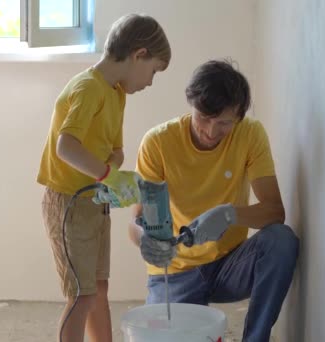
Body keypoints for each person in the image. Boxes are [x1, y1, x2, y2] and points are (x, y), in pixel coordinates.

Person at [128, 60, 299, 342]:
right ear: (191, 104)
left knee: (281, 240)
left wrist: (231, 214)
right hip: (175, 271)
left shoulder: (250, 134)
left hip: (229, 264)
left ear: (239, 118)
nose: (210, 131)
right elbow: (136, 220)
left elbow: (274, 212)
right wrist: (146, 238)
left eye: (223, 123)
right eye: (203, 117)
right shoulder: (158, 143)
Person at [36, 14, 171, 342]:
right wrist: (108, 174)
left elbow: (116, 150)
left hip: (95, 201)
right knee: (80, 294)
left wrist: (113, 174)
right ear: (138, 54)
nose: (151, 82)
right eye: (153, 70)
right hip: (68, 204)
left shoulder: (116, 93)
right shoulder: (88, 88)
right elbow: (65, 146)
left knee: (97, 289)